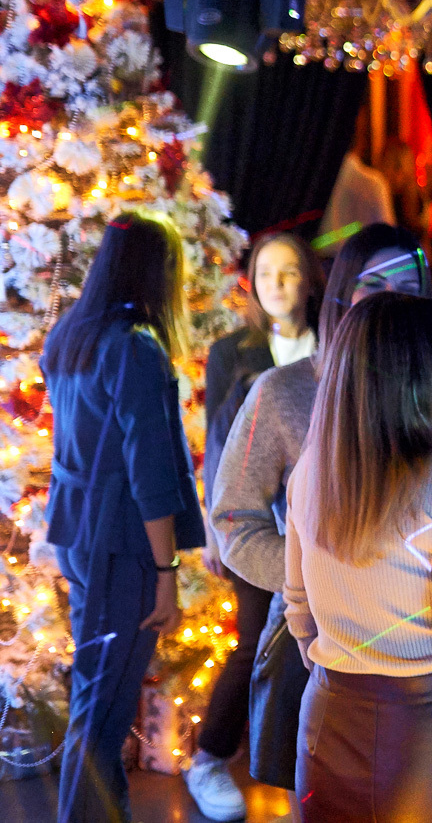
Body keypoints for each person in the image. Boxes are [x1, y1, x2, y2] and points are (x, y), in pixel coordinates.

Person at [209, 224, 432, 793]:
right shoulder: (283, 391)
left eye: (408, 288)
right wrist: (320, 578)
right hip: (319, 643)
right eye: (375, 285)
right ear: (341, 293)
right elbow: (233, 518)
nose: (392, 301)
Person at [284, 293, 432, 821]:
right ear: (428, 378)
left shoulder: (309, 471)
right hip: (427, 735)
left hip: (327, 720)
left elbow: (298, 609)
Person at [42, 211, 206, 823]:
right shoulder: (134, 347)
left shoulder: (70, 337)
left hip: (80, 538)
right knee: (102, 714)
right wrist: (166, 571)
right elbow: (150, 476)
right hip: (122, 547)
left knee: (97, 701)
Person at [189, 231, 324, 821]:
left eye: (289, 271)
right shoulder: (234, 351)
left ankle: (309, 767)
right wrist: (215, 529)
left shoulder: (333, 343)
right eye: (265, 272)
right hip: (258, 526)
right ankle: (209, 757)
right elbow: (220, 444)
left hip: (320, 527)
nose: (277, 283)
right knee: (254, 643)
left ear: (309, 280)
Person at [315, 149, 396, 256]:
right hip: (357, 260)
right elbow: (387, 238)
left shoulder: (314, 177)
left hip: (320, 257)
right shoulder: (373, 183)